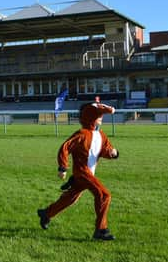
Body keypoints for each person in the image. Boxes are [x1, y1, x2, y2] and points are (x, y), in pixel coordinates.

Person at [37, 100, 120, 240]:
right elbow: (65, 147)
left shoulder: (101, 135)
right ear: (89, 116)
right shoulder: (82, 134)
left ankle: (46, 213)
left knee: (71, 198)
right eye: (98, 115)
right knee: (104, 195)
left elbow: (105, 151)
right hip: (82, 172)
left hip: (87, 174)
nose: (101, 118)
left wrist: (113, 153)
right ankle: (101, 230)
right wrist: (63, 167)